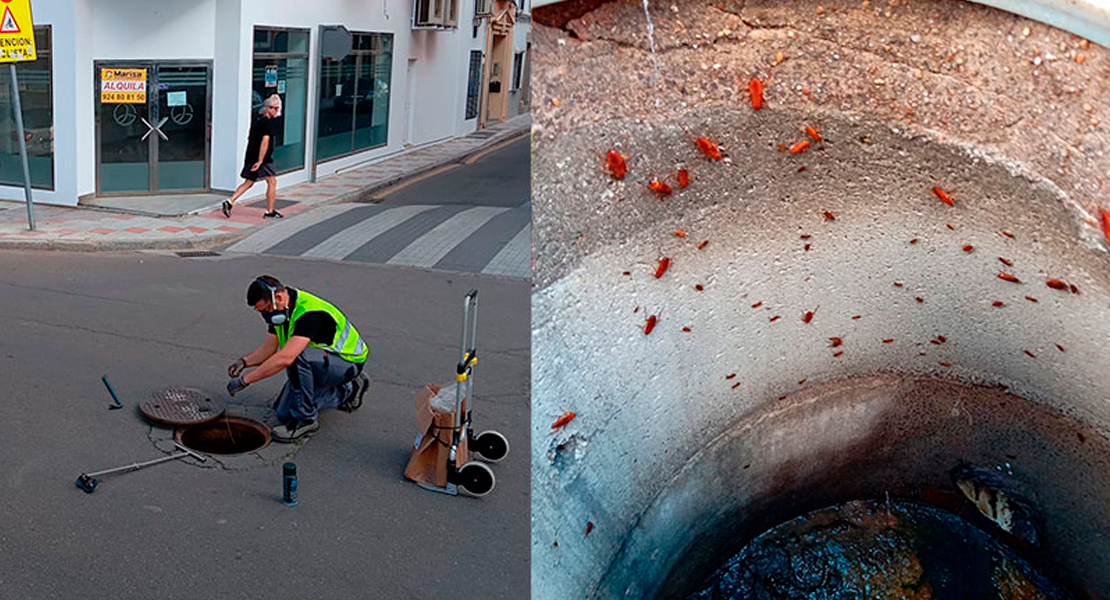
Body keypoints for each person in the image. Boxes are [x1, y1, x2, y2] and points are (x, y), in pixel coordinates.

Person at [226, 275, 370, 442]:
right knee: (283, 413)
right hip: (321, 362)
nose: (265, 315)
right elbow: (268, 349)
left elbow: (285, 358)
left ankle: (306, 421)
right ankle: (346, 389)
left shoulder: (309, 314)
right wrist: (243, 362)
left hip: (347, 362)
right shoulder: (280, 312)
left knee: (296, 357)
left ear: (278, 297)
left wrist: (245, 381)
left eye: (265, 310)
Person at [222, 94, 284, 219]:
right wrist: (260, 161)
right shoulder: (268, 123)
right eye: (274, 108)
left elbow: (250, 136)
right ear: (267, 108)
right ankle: (269, 211)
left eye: (277, 108)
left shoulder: (257, 118)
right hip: (262, 158)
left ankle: (230, 202)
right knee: (272, 181)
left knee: (249, 182)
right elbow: (265, 142)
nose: (276, 111)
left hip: (250, 154)